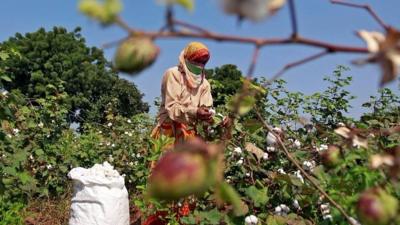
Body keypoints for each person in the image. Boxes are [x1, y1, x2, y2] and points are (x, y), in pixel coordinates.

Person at [151, 42, 214, 144]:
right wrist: (195, 112)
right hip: (169, 129)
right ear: (187, 58)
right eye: (196, 61)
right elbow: (172, 108)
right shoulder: (174, 74)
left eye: (203, 62)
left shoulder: (204, 84)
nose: (199, 65)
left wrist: (217, 119)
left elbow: (206, 109)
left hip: (191, 132)